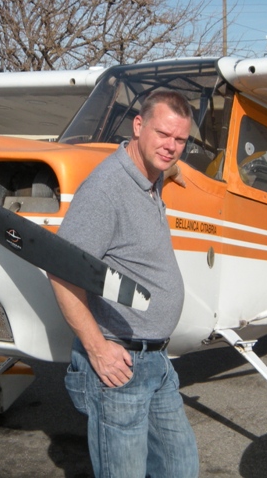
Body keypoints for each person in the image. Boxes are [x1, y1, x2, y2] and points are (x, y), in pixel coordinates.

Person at [49, 89, 199, 478]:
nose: (171, 147)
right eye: (163, 134)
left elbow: (168, 165)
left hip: (157, 362)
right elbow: (62, 271)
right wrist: (97, 350)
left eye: (180, 140)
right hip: (121, 366)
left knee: (180, 467)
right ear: (138, 125)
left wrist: (171, 167)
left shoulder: (150, 177)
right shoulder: (106, 189)